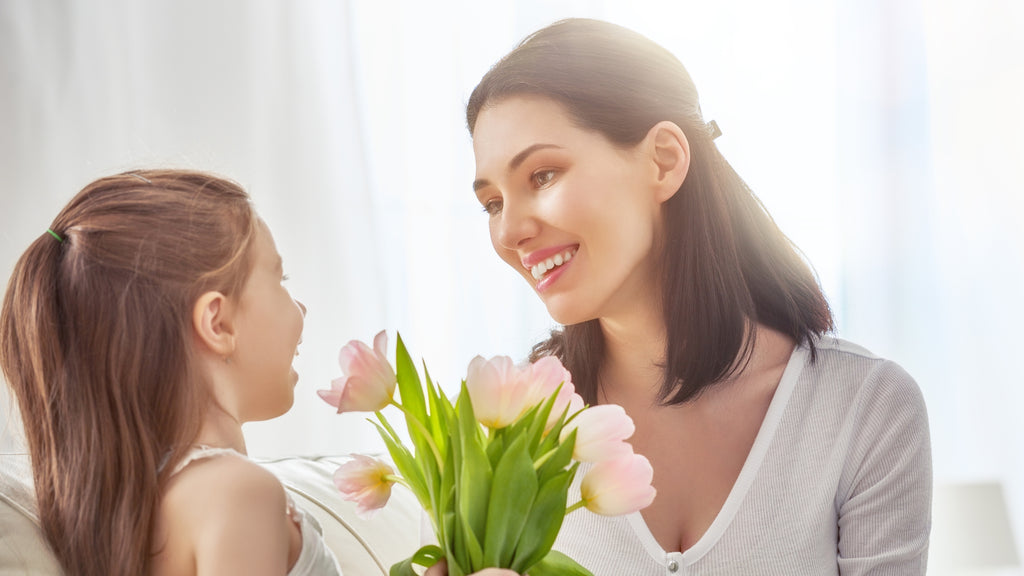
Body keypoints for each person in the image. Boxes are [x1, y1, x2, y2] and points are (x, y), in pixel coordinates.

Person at [464, 18, 931, 575]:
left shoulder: (865, 409)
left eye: (542, 175)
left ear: (663, 159)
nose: (509, 231)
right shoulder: (501, 426)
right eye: (492, 203)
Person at [0, 170, 340, 576]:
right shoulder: (240, 493)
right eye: (280, 278)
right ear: (218, 323)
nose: (301, 308)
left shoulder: (133, 510)